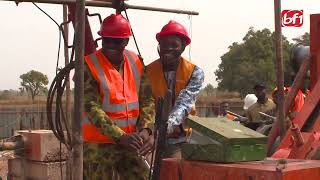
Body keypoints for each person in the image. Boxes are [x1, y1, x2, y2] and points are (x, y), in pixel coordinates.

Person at [82, 14, 155, 180]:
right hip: (98, 146)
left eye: (117, 41)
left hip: (131, 142)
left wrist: (146, 129)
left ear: (126, 41)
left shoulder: (136, 62)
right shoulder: (88, 65)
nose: (111, 45)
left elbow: (147, 100)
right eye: (107, 40)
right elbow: (91, 107)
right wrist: (120, 136)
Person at [147, 20, 204, 158]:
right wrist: (150, 131)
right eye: (164, 44)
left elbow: (184, 103)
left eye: (174, 45)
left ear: (183, 47)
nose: (168, 48)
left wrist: (165, 128)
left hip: (181, 139)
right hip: (150, 138)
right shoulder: (147, 71)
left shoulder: (194, 72)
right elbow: (145, 105)